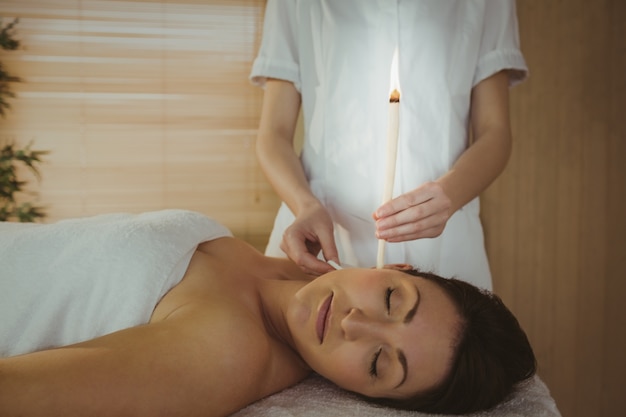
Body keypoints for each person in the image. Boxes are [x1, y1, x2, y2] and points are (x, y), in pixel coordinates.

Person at [0, 210, 535, 416]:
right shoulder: (288, 272)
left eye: (378, 364)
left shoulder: (224, 356)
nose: (354, 323)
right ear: (395, 264)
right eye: (392, 299)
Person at [251, 0, 528, 288]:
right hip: (322, 238)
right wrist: (304, 205)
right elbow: (274, 133)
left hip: (445, 243)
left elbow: (495, 131)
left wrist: (450, 193)